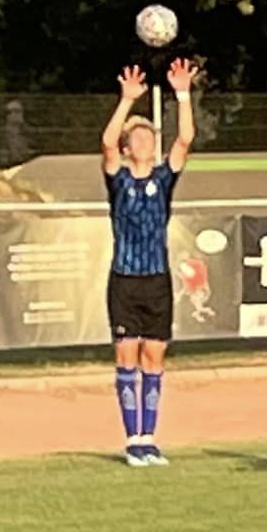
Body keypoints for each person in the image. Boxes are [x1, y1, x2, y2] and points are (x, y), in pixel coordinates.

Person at [101, 60, 196, 464]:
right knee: (127, 358)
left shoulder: (164, 178)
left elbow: (185, 139)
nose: (145, 141)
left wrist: (183, 94)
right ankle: (131, 441)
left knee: (154, 359)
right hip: (125, 279)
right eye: (138, 137)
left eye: (149, 137)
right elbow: (106, 143)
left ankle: (149, 438)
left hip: (157, 280)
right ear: (128, 148)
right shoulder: (119, 179)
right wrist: (126, 101)